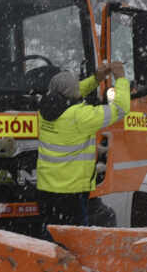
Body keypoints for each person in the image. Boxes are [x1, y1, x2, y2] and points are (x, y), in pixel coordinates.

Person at [36, 61, 130, 231]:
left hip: (47, 189)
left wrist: (96, 79)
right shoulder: (80, 117)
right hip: (71, 192)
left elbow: (72, 90)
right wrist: (121, 79)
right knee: (76, 236)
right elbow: (121, 108)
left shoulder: (43, 111)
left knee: (51, 232)